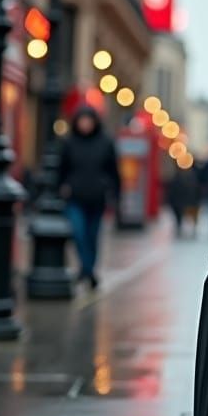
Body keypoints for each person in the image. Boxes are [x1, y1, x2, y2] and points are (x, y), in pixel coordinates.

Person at [58, 105, 120, 289]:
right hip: (75, 198)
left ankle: (88, 269)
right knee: (78, 233)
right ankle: (87, 270)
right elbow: (62, 169)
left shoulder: (105, 143)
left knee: (92, 236)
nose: (85, 124)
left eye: (88, 121)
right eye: (82, 121)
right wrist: (61, 187)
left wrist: (115, 194)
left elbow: (113, 172)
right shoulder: (69, 143)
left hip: (97, 198)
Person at [166, 161, 202, 238]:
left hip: (182, 201)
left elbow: (173, 191)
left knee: (180, 214)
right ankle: (190, 228)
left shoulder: (177, 177)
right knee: (191, 214)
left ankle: (179, 226)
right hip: (189, 201)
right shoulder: (193, 177)